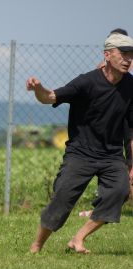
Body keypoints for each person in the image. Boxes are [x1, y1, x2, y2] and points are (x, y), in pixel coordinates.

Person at [26, 32, 133, 254]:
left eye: (131, 55)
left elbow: (131, 129)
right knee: (63, 197)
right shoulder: (87, 82)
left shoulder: (131, 86)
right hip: (81, 153)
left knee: (119, 191)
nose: (128, 59)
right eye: (123, 54)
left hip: (111, 155)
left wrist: (132, 164)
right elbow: (50, 97)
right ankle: (36, 246)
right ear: (107, 55)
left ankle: (78, 238)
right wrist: (39, 89)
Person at [80, 28, 133, 218]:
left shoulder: (125, 68)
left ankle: (104, 206)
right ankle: (102, 207)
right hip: (116, 128)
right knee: (120, 170)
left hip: (128, 121)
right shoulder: (102, 68)